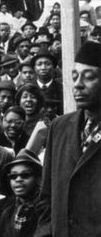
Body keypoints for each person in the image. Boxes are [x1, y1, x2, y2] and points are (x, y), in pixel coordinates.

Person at [35, 41, 101, 236]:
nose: (78, 84)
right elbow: (46, 197)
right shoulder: (60, 126)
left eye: (89, 77)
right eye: (75, 77)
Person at [0, 149, 42, 237]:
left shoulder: (45, 207)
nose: (18, 179)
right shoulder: (8, 208)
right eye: (13, 176)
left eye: (25, 175)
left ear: (38, 178)